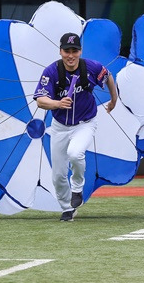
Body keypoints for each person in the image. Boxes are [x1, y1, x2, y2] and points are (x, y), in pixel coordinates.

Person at [34, 32, 118, 221]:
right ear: (60, 51)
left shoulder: (91, 67)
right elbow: (40, 100)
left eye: (75, 51)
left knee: (75, 153)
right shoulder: (51, 71)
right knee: (57, 175)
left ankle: (77, 187)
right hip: (59, 126)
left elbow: (109, 77)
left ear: (80, 51)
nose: (70, 55)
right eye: (66, 51)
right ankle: (67, 208)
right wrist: (57, 103)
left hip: (85, 123)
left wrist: (114, 99)